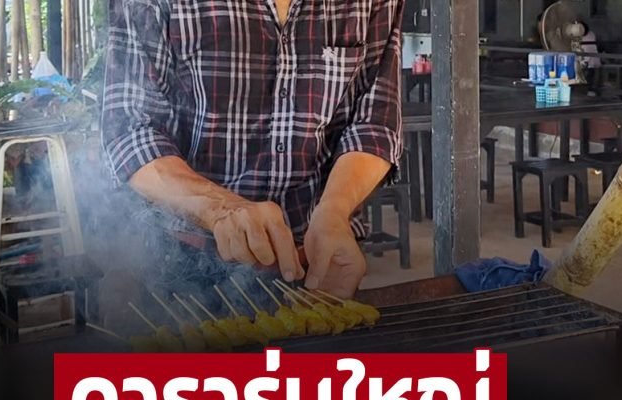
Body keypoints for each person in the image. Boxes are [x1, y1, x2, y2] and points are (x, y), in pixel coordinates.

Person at [102, 0, 405, 299]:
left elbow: (374, 125)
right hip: (187, 260)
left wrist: (334, 210)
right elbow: (131, 130)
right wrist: (221, 209)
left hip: (315, 261)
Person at [579, 21, 601, 90]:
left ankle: (591, 88)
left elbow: (586, 49)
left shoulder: (583, 37)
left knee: (590, 74)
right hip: (592, 57)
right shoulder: (591, 33)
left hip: (588, 57)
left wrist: (585, 61)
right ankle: (592, 89)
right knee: (593, 73)